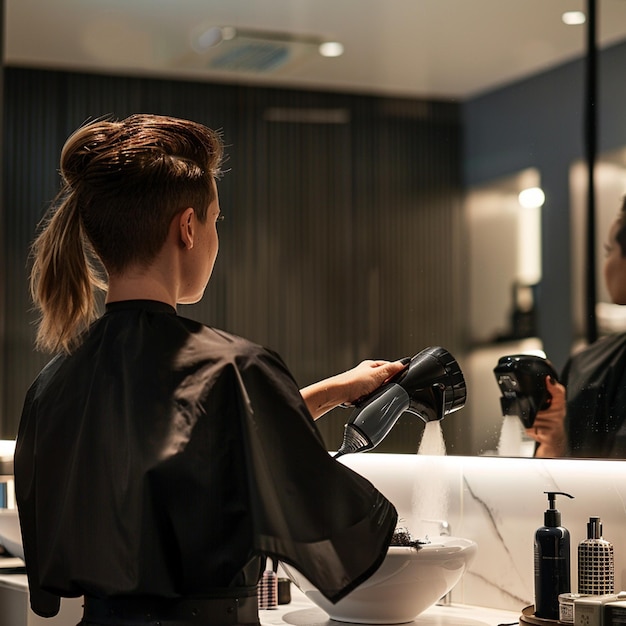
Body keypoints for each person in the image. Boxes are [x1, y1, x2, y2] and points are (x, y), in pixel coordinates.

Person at [13, 114, 407, 625]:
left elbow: (186, 446)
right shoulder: (236, 365)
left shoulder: (53, 384)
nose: (217, 237)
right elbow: (334, 522)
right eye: (216, 221)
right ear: (188, 227)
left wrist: (329, 391)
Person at [527, 196, 626, 458]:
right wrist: (555, 436)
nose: (606, 264)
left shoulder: (587, 366)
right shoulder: (587, 364)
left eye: (608, 251)